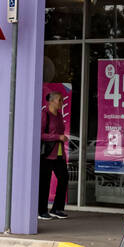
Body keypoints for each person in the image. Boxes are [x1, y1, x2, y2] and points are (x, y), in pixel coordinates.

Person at [38, 91, 70, 219]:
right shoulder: (45, 114)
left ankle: (57, 208)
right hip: (47, 154)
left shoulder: (59, 115)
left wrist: (62, 138)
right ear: (51, 101)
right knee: (44, 182)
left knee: (64, 178)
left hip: (59, 154)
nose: (62, 103)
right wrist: (58, 137)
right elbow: (40, 135)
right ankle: (41, 211)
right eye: (59, 100)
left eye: (62, 100)